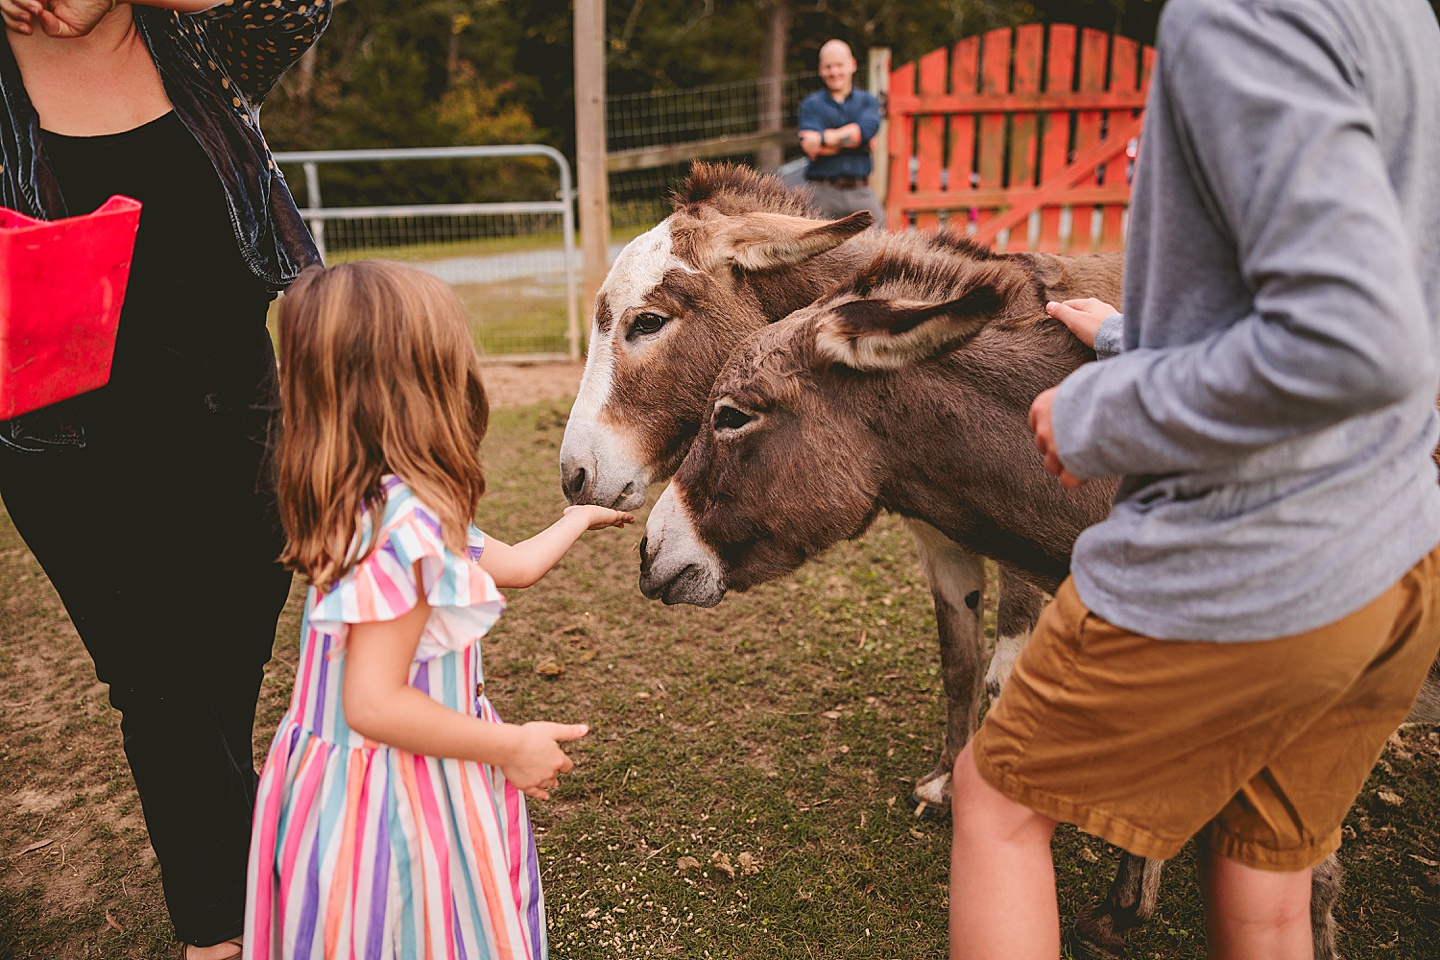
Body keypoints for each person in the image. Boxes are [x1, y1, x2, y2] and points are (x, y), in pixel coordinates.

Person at [948, 0, 1440, 958]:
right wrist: (1137, 338)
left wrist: (1107, 407)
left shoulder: (1237, 17)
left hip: (1251, 553)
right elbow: (1367, 281)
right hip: (1390, 548)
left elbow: (1349, 340)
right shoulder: (1399, 14)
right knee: (1265, 879)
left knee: (997, 806)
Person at [0, 0, 328, 956]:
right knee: (162, 685)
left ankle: (246, 861)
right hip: (67, 447)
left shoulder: (201, 45)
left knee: (225, 671)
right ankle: (224, 933)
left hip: (237, 421)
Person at [244, 260, 633, 960]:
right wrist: (511, 746)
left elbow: (513, 567)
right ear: (419, 390)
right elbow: (372, 703)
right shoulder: (406, 530)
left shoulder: (373, 498)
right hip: (387, 800)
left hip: (344, 776)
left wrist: (579, 520)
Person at [798, 38, 884, 227]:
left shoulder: (868, 102)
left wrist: (822, 140)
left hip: (861, 192)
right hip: (821, 192)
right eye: (828, 67)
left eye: (839, 65)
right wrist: (857, 143)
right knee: (814, 249)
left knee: (882, 243)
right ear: (821, 69)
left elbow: (862, 134)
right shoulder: (811, 105)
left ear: (852, 65)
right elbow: (810, 148)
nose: (834, 72)